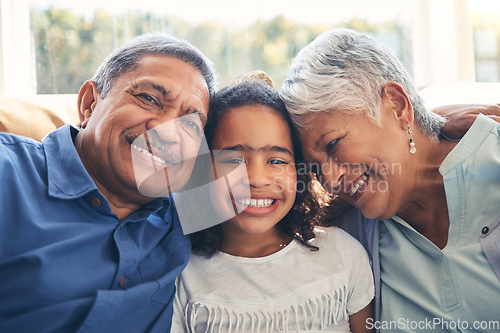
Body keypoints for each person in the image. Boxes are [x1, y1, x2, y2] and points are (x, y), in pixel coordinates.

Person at [280, 28, 500, 332]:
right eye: (316, 169)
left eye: (333, 144)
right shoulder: (351, 233)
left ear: (397, 106)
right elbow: (200, 212)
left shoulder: (494, 162)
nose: (330, 181)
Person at [0, 33, 216, 332]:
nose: (167, 132)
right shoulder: (7, 173)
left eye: (191, 123)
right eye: (149, 99)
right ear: (89, 103)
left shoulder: (190, 212)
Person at [172, 73, 375, 333]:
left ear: (299, 171)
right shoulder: (183, 276)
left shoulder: (342, 254)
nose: (256, 179)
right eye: (234, 160)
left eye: (277, 161)